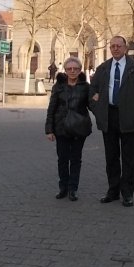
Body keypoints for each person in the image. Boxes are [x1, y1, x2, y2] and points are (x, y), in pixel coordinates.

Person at [89, 36, 134, 207]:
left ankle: (127, 193)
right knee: (111, 157)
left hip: (128, 118)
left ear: (125, 48)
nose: (115, 49)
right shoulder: (103, 68)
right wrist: (98, 110)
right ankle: (113, 190)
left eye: (118, 46)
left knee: (129, 158)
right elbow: (92, 91)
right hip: (108, 117)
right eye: (112, 46)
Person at [45, 56, 92, 202]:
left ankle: (73, 189)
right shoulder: (58, 86)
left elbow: (92, 106)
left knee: (76, 159)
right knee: (63, 159)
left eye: (75, 68)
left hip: (79, 128)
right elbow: (51, 108)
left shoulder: (86, 87)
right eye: (69, 69)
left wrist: (98, 99)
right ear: (65, 70)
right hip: (61, 128)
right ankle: (63, 188)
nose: (72, 71)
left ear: (80, 70)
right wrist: (49, 129)